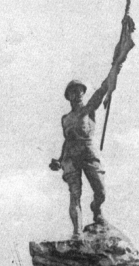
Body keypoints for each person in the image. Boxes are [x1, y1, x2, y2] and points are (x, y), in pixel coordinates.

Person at [50, 65, 120, 239]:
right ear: (69, 96)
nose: (78, 94)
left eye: (80, 90)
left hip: (89, 154)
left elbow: (100, 92)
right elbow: (67, 141)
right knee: (75, 194)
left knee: (101, 191)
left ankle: (96, 210)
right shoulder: (65, 119)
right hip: (71, 157)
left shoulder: (88, 110)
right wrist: (59, 160)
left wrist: (113, 72)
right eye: (74, 91)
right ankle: (77, 233)